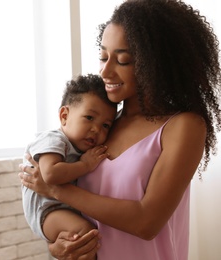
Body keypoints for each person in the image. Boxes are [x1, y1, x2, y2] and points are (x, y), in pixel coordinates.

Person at [19, 0, 221, 259]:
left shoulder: (183, 127)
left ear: (156, 63)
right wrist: (58, 246)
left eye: (123, 60)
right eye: (103, 57)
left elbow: (146, 223)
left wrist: (55, 189)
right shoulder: (100, 127)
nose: (105, 70)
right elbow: (71, 214)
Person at [21, 74, 117, 249]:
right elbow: (50, 174)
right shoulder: (53, 140)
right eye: (89, 118)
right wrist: (85, 165)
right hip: (48, 211)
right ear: (64, 116)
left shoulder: (82, 147)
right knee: (86, 232)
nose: (96, 129)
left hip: (63, 206)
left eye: (105, 125)